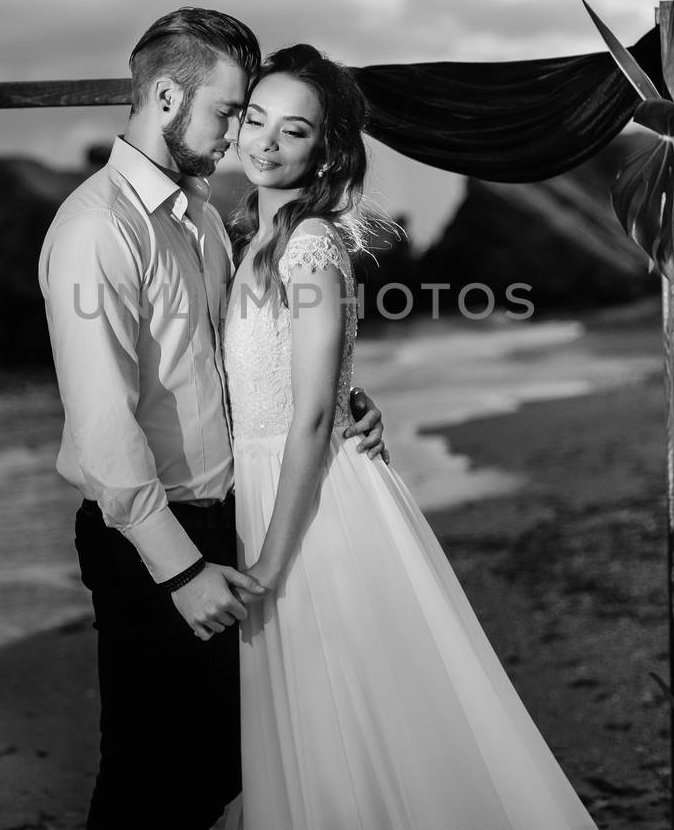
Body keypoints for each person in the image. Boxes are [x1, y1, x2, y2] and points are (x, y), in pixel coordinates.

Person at [226, 44, 600, 829]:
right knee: (316, 725)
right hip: (272, 483)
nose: (264, 141)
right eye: (255, 119)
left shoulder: (309, 248)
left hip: (312, 505)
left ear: (325, 151)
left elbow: (317, 415)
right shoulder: (254, 238)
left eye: (292, 131)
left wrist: (267, 558)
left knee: (354, 720)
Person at [37, 9, 385, 830]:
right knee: (148, 785)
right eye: (230, 112)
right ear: (165, 96)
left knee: (222, 768)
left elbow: (243, 363)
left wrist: (343, 403)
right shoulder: (99, 228)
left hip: (227, 519)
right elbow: (103, 427)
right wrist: (180, 571)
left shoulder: (201, 217)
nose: (237, 137)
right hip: (152, 546)